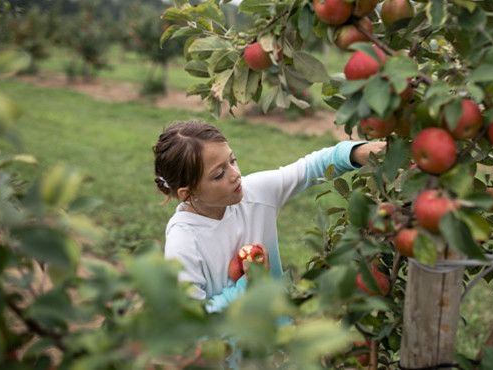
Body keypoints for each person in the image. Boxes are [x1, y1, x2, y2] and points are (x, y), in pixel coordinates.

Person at [153, 119, 385, 313]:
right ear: (189, 193)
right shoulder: (184, 240)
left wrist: (357, 152)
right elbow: (193, 318)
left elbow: (312, 167)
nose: (235, 175)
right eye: (219, 174)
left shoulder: (254, 193)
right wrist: (247, 285)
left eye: (232, 161)